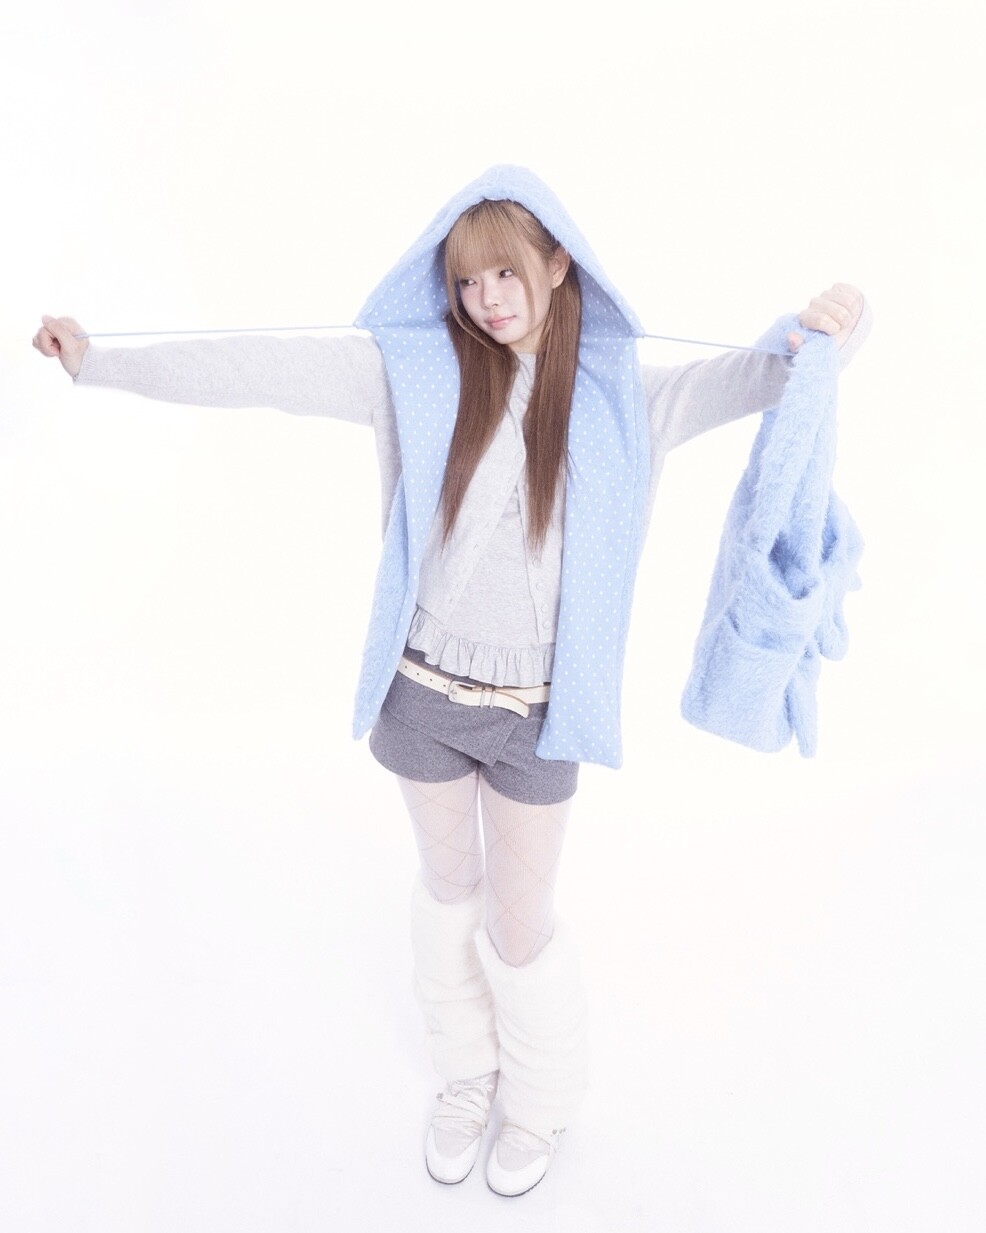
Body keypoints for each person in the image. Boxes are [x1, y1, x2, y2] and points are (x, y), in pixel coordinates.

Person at [33, 165, 869, 1198]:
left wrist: (834, 327)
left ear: (557, 266)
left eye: (506, 274)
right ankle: (467, 1078)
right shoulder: (417, 373)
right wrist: (99, 361)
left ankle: (540, 1100)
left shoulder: (630, 398)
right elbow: (257, 366)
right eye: (467, 282)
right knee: (447, 894)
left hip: (537, 717)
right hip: (421, 696)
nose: (486, 299)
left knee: (520, 924)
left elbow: (776, 374)